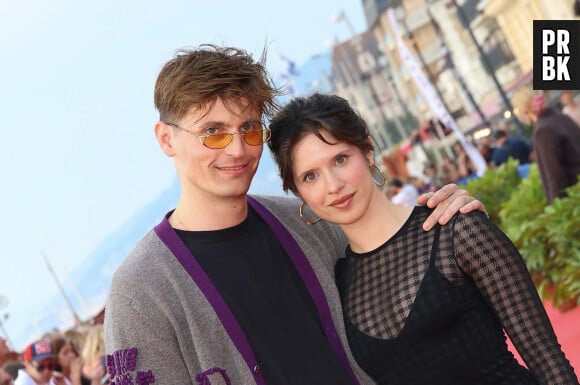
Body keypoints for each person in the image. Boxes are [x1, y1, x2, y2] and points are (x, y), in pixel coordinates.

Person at [103, 45, 484, 385]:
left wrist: (442, 219)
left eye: (250, 129)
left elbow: (407, 275)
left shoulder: (309, 222)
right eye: (214, 132)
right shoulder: (141, 291)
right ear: (166, 138)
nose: (237, 150)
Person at [267, 92, 579, 385]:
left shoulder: (456, 229)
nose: (332, 185)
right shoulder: (336, 285)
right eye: (310, 176)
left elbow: (549, 362)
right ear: (298, 193)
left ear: (367, 151)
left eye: (339, 160)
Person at [511, 87, 580, 203]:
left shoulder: (543, 130)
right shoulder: (561, 117)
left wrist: (558, 211)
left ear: (524, 112)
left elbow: (555, 175)